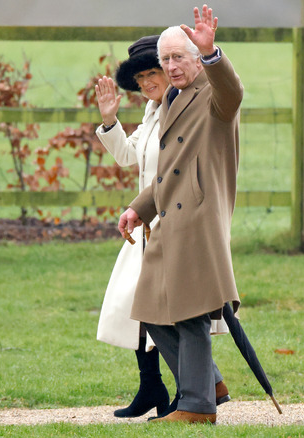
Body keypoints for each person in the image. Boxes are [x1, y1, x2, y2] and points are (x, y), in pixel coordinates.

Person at [117, 4, 243, 424]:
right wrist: (139, 207)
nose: (170, 66)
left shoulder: (213, 93)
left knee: (189, 313)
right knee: (151, 310)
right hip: (169, 216)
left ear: (195, 58)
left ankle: (196, 406)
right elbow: (172, 170)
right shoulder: (173, 97)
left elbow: (233, 92)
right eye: (165, 59)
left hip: (200, 218)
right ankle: (209, 383)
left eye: (179, 58)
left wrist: (212, 55)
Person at [94, 35, 171, 419]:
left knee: (164, 308)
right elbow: (127, 156)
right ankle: (152, 385)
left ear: (170, 70)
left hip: (171, 221)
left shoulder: (179, 108)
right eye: (139, 78)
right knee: (135, 305)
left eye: (151, 73)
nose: (145, 84)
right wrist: (110, 119)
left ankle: (206, 385)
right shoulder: (152, 112)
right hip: (144, 222)